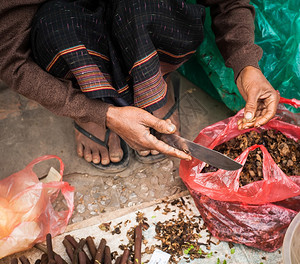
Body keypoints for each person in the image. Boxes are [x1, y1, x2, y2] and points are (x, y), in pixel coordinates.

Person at [0, 0, 279, 172]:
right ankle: (98, 102)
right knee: (57, 25)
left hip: (139, 13)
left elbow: (228, 1)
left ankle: (154, 92)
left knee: (145, 4)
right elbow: (11, 59)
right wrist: (98, 113)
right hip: (68, 14)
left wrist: (246, 63)